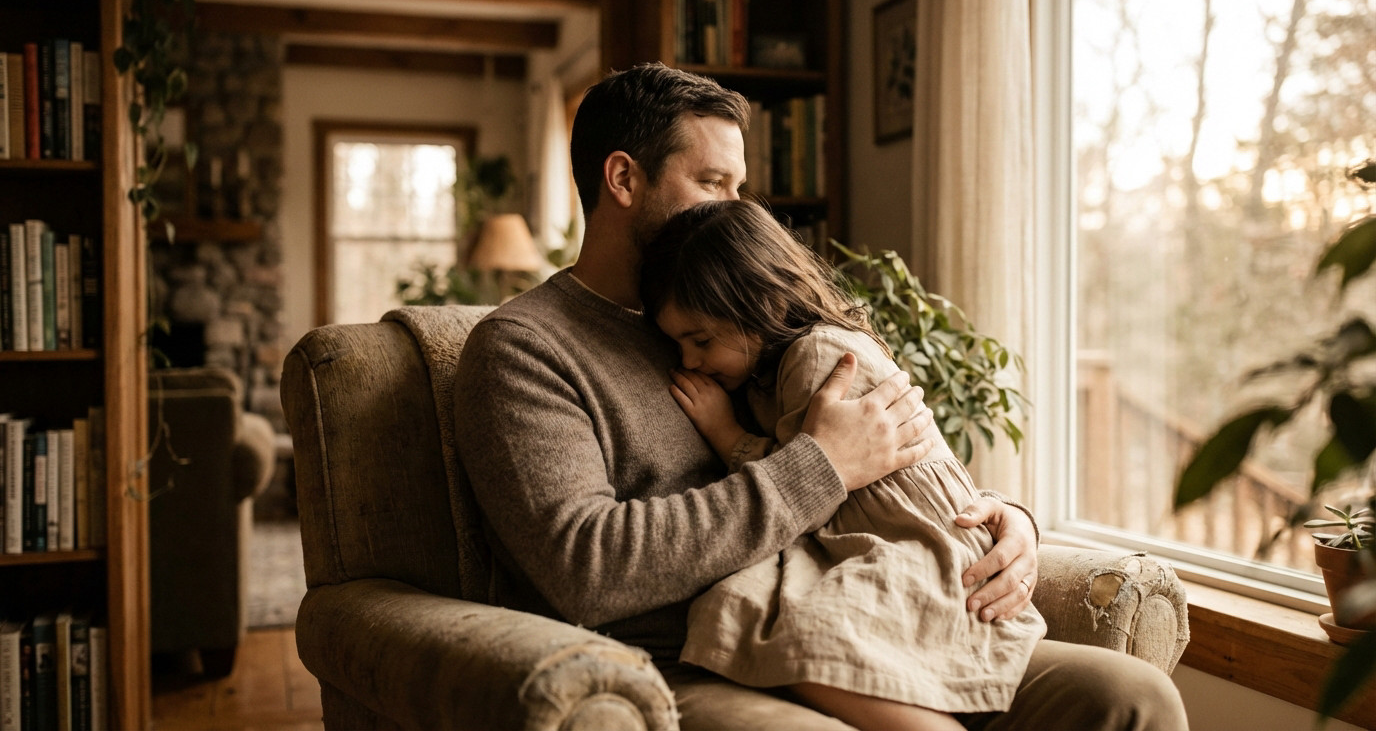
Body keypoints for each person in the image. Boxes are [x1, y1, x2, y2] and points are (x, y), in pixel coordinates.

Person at [453, 62, 1186, 729]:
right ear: (623, 180)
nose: (739, 210)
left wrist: (1008, 521)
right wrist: (820, 465)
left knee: (1129, 698)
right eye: (713, 184)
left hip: (866, 605)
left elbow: (891, 458)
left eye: (739, 189)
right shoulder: (525, 348)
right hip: (690, 655)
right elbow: (589, 568)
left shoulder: (747, 316)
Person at [638, 199, 1047, 731]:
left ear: (758, 302)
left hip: (915, 544)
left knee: (757, 617)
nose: (689, 361)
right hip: (885, 534)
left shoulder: (819, 358)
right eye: (679, 344)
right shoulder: (767, 368)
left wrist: (728, 436)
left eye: (701, 340)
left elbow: (812, 483)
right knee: (739, 602)